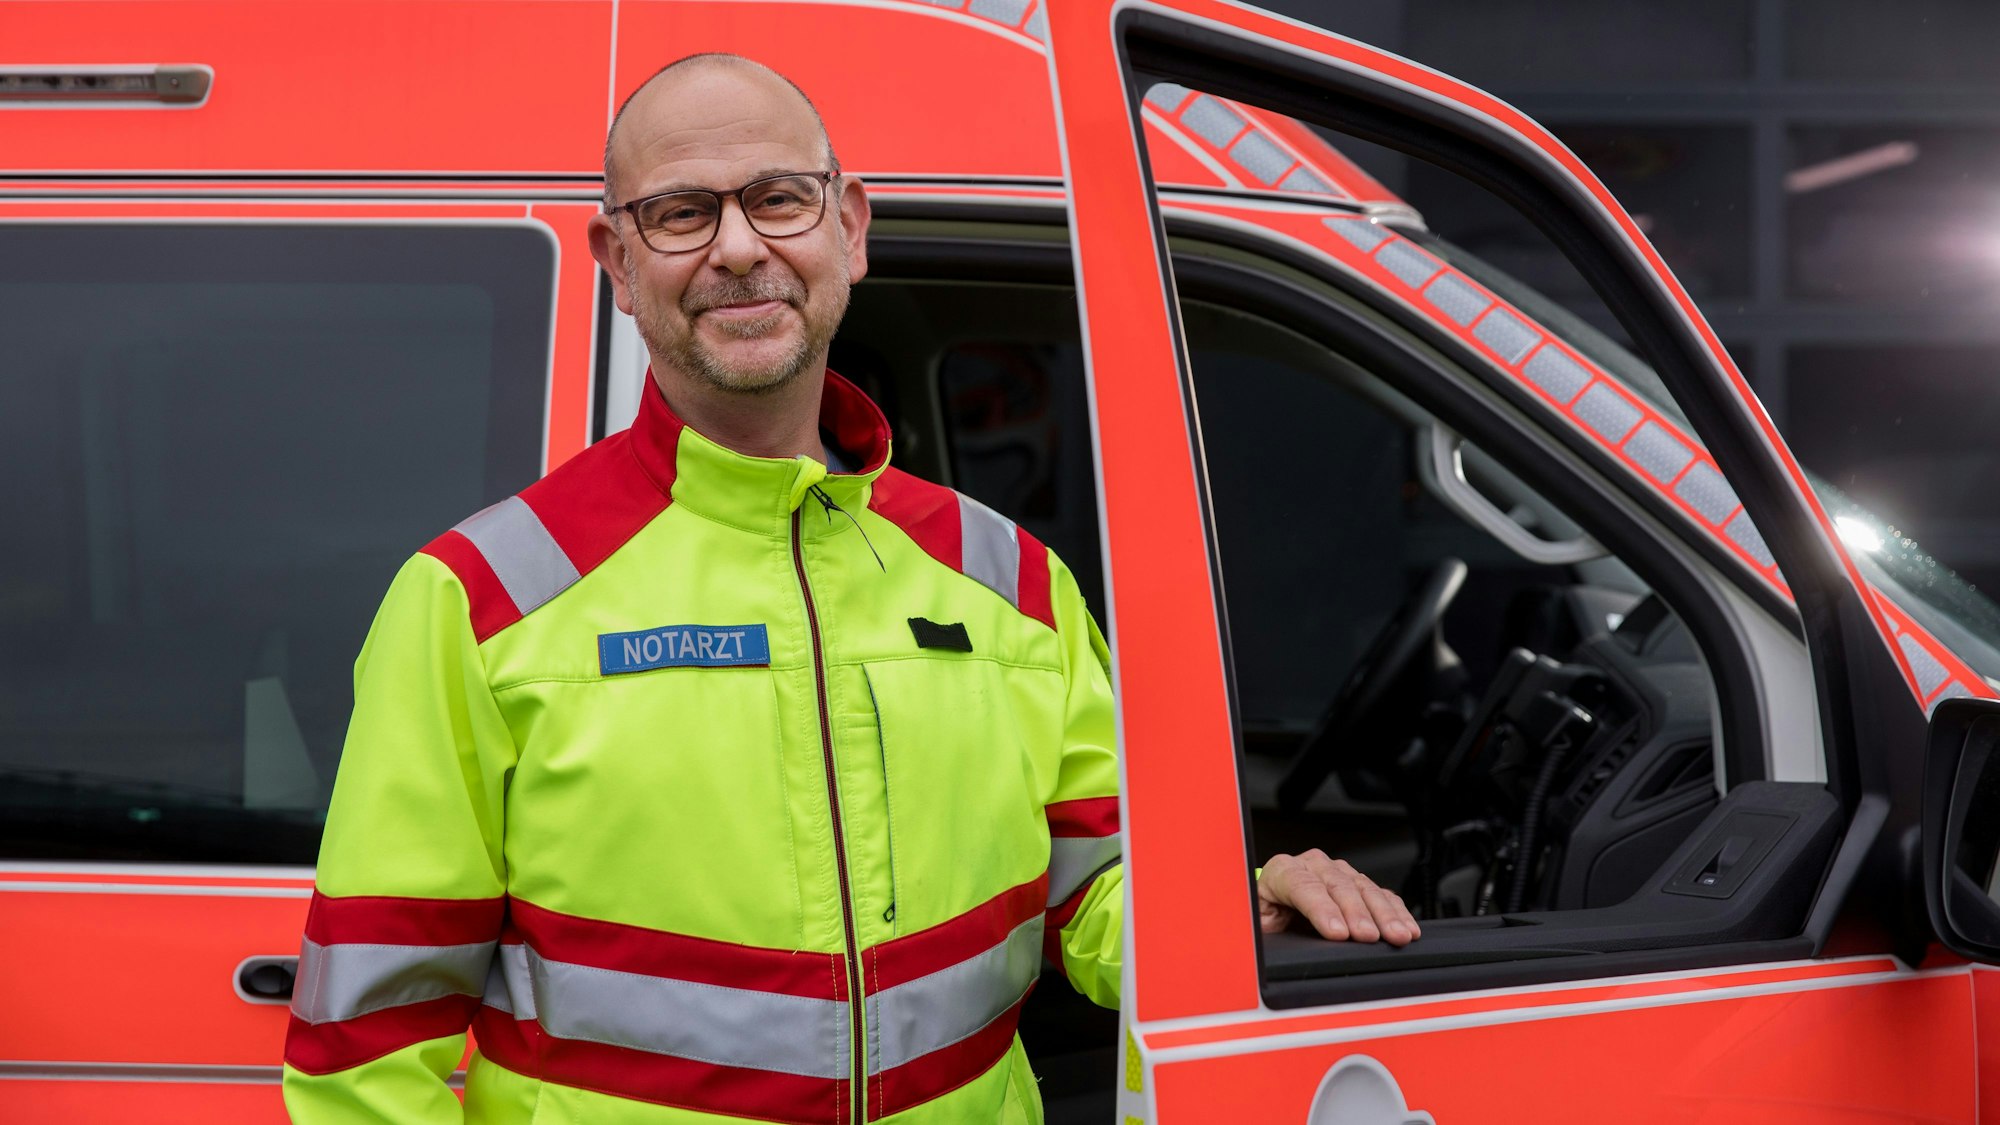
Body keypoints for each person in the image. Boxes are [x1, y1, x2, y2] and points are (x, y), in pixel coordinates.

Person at [281, 52, 1418, 1125]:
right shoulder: (477, 600)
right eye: (680, 213)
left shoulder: (1008, 581)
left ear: (850, 226)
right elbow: (368, 1052)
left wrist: (1249, 901)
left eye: (777, 197)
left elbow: (1097, 898)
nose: (736, 248)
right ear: (618, 266)